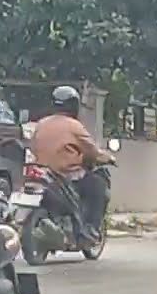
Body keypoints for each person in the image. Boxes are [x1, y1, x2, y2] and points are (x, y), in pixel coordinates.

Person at [30, 86, 114, 244]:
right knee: (98, 186)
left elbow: (32, 145)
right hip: (65, 175)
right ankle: (89, 229)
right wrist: (108, 158)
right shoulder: (74, 126)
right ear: (73, 105)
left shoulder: (41, 124)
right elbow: (92, 150)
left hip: (40, 171)